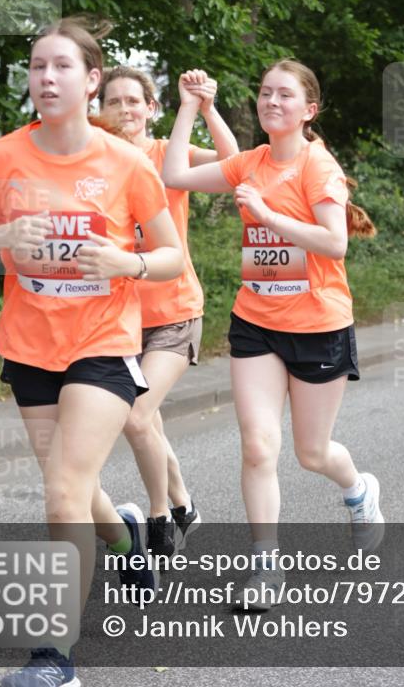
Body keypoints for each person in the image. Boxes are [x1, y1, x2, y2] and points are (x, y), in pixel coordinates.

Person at [0, 17, 185, 687]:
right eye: (35, 67)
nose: (45, 79)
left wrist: (126, 260)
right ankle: (124, 541)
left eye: (59, 67)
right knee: (76, 491)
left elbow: (170, 257)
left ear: (91, 81)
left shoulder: (126, 164)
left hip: (103, 344)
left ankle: (55, 657)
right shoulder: (0, 156)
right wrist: (2, 234)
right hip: (30, 347)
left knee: (60, 494)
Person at [163, 58, 382, 610]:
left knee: (312, 453)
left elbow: (335, 244)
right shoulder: (251, 161)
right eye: (264, 94)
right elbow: (174, 177)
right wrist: (191, 106)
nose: (271, 102)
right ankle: (265, 567)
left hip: (318, 325)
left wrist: (265, 213)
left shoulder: (318, 167)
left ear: (308, 110)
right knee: (259, 446)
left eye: (284, 95)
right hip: (256, 322)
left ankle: (358, 491)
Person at [98, 65, 238, 556]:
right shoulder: (94, 164)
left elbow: (232, 164)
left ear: (150, 108)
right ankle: (184, 504)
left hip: (174, 311)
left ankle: (160, 519)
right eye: (112, 102)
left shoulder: (165, 154)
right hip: (117, 319)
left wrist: (203, 106)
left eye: (133, 101)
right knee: (148, 420)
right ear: (99, 111)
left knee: (136, 417)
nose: (123, 110)